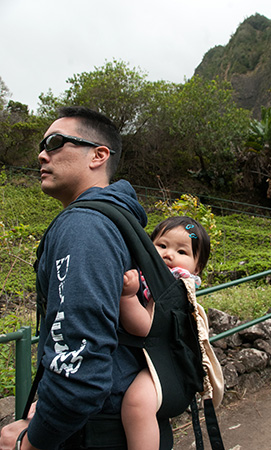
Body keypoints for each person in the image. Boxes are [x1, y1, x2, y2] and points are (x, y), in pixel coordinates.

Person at [0, 106, 173, 450]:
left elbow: (80, 366)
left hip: (94, 433)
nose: (41, 154)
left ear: (98, 155)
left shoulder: (85, 226)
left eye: (55, 142)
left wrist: (32, 443)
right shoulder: (121, 220)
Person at [119, 216, 210, 450]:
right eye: (162, 246)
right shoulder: (154, 277)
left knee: (137, 403)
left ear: (197, 266)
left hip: (169, 363)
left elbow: (143, 326)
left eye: (182, 251)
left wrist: (127, 297)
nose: (169, 255)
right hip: (161, 356)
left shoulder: (175, 284)